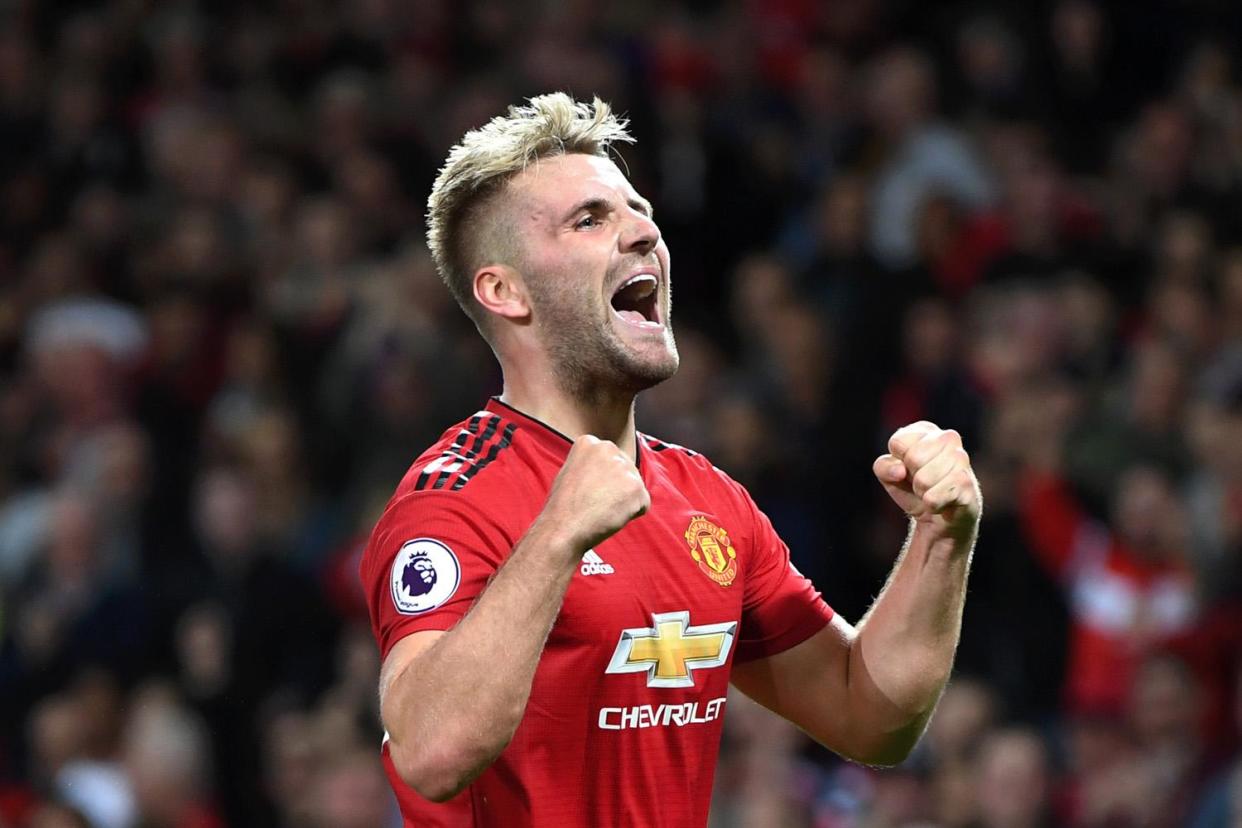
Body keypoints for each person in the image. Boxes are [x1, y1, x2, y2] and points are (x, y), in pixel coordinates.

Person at [359, 94, 982, 827]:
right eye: (591, 219)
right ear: (505, 291)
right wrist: (558, 535)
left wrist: (943, 537)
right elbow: (430, 753)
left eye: (638, 209)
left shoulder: (708, 502)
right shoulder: (454, 498)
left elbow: (868, 713)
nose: (644, 231)